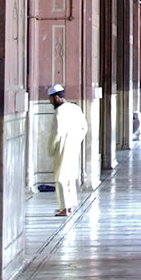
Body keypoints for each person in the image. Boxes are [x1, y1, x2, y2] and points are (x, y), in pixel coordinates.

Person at [47, 83, 88, 218]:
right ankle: (69, 205)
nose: (51, 102)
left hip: (63, 147)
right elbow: (84, 128)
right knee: (70, 176)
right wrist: (76, 140)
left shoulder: (60, 111)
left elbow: (56, 133)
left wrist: (52, 148)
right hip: (74, 146)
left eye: (51, 99)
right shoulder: (75, 108)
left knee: (60, 178)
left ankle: (64, 208)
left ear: (56, 97)